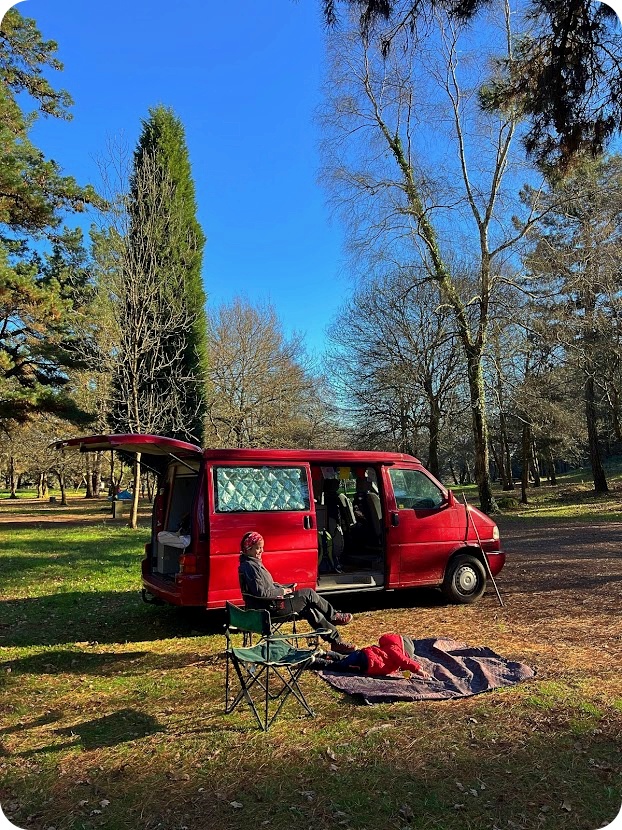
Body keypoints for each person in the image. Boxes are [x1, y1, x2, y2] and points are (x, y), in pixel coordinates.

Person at [238, 531, 356, 655]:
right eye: (257, 548)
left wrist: (283, 587)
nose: (261, 551)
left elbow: (267, 587)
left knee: (309, 608)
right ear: (248, 548)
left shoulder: (251, 563)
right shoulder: (250, 566)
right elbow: (262, 593)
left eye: (262, 548)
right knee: (308, 594)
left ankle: (336, 642)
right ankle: (334, 616)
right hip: (271, 608)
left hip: (270, 604)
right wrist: (282, 591)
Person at [312, 633, 431, 678]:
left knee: (346, 659)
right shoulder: (397, 652)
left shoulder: (389, 648)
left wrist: (406, 672)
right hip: (367, 663)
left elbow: (403, 665)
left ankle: (325, 653)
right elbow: (404, 661)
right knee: (340, 666)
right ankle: (316, 661)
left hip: (364, 654)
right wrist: (418, 669)